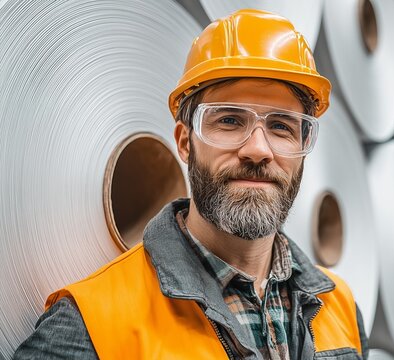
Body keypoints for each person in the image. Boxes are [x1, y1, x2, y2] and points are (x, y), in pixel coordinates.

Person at [14, 9, 368, 359]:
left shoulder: (341, 308)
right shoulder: (92, 324)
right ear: (185, 142)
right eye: (229, 120)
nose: (258, 150)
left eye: (281, 127)